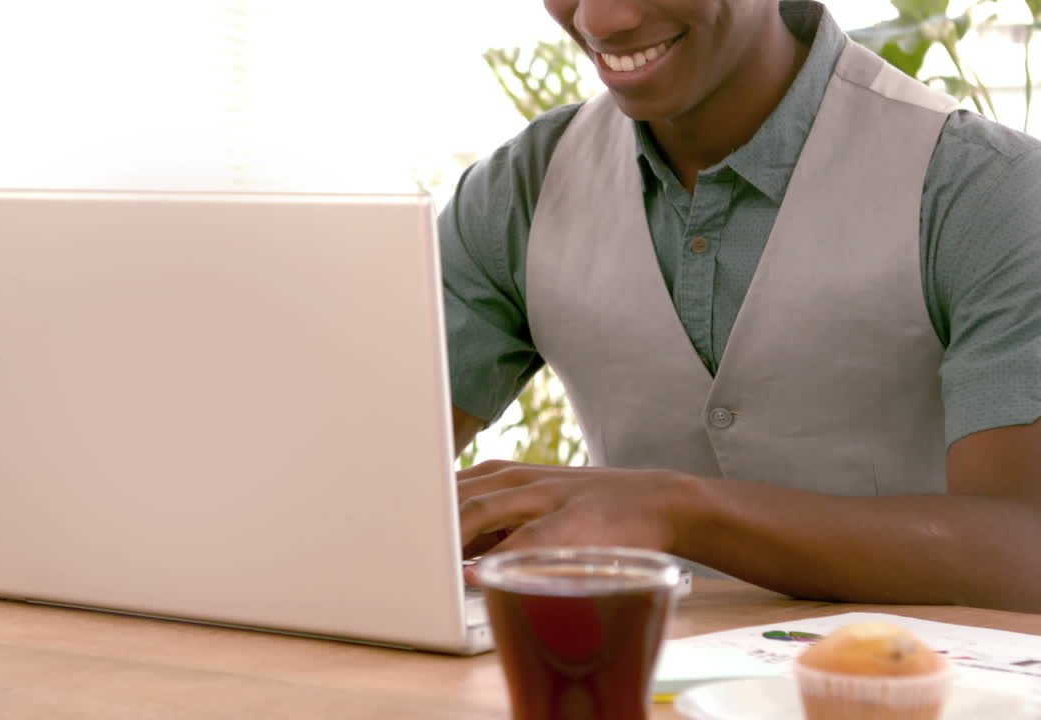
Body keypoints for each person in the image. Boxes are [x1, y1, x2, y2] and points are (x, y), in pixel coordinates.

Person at [444, 0, 1041, 611]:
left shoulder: (986, 190)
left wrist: (675, 511)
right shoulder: (521, 190)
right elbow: (365, 463)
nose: (601, 19)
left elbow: (1025, 551)